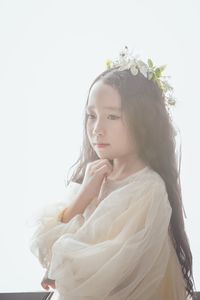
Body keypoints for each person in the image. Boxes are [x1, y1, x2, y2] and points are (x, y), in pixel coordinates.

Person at [30, 47, 196, 300]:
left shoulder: (147, 189)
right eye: (91, 116)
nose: (97, 129)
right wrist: (83, 196)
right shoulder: (96, 176)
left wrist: (58, 266)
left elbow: (92, 273)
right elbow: (45, 249)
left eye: (112, 117)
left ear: (143, 120)